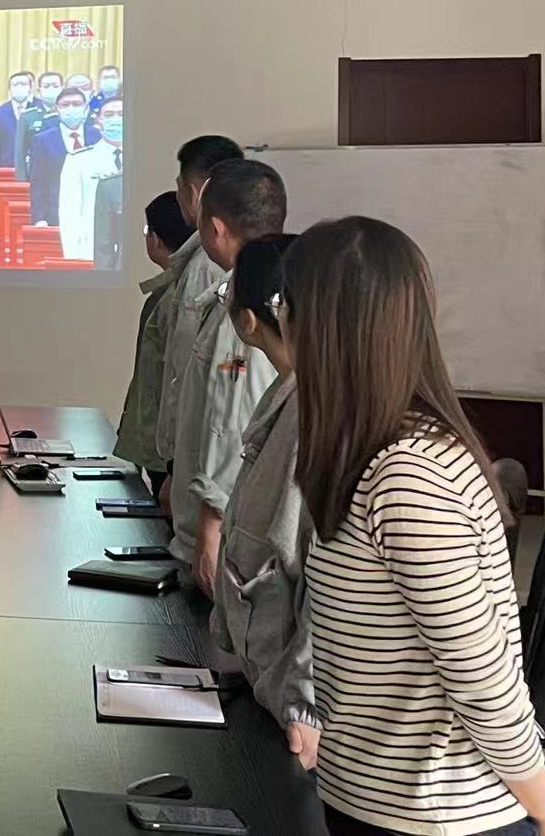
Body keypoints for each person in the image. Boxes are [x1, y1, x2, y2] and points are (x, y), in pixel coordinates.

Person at [290, 217, 545, 836]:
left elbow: (479, 672)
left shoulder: (411, 473)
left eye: (289, 306)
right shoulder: (363, 455)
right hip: (380, 801)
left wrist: (544, 802)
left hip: (441, 813)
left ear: (323, 330)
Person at [208, 233, 319, 770]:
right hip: (265, 688)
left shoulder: (315, 415)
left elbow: (321, 578)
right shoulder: (285, 397)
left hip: (296, 719)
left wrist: (303, 706)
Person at [169, 159, 285, 593]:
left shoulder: (242, 310)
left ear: (215, 228)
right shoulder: (266, 288)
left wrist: (210, 525)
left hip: (224, 536)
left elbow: (229, 422)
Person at [153, 134, 245, 510]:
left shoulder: (207, 266)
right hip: (195, 467)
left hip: (201, 474)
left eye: (179, 187)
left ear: (194, 192)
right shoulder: (201, 260)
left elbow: (186, 369)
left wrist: (174, 464)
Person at [112, 191, 194, 493]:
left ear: (156, 239)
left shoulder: (175, 298)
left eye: (147, 231)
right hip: (158, 444)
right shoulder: (171, 292)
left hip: (163, 450)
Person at [58, 95, 122, 259]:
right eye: (109, 115)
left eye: (121, 114)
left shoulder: (143, 158)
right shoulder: (78, 161)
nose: (115, 119)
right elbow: (69, 216)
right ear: (98, 120)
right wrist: (74, 257)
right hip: (91, 249)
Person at [27, 86, 99, 227]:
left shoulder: (98, 137)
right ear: (57, 109)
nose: (71, 108)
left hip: (93, 213)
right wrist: (39, 218)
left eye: (76, 104)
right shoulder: (42, 140)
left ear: (86, 108)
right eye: (65, 105)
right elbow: (38, 182)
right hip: (56, 214)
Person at [15, 70, 65, 179]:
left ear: (62, 88)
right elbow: (20, 153)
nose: (51, 89)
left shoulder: (69, 114)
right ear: (39, 91)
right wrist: (22, 180)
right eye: (46, 86)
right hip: (37, 173)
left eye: (55, 86)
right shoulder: (28, 116)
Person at [0, 70, 35, 169]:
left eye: (23, 84)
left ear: (30, 88)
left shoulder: (39, 108)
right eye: (15, 84)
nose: (19, 87)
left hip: (34, 167)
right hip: (6, 167)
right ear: (9, 89)